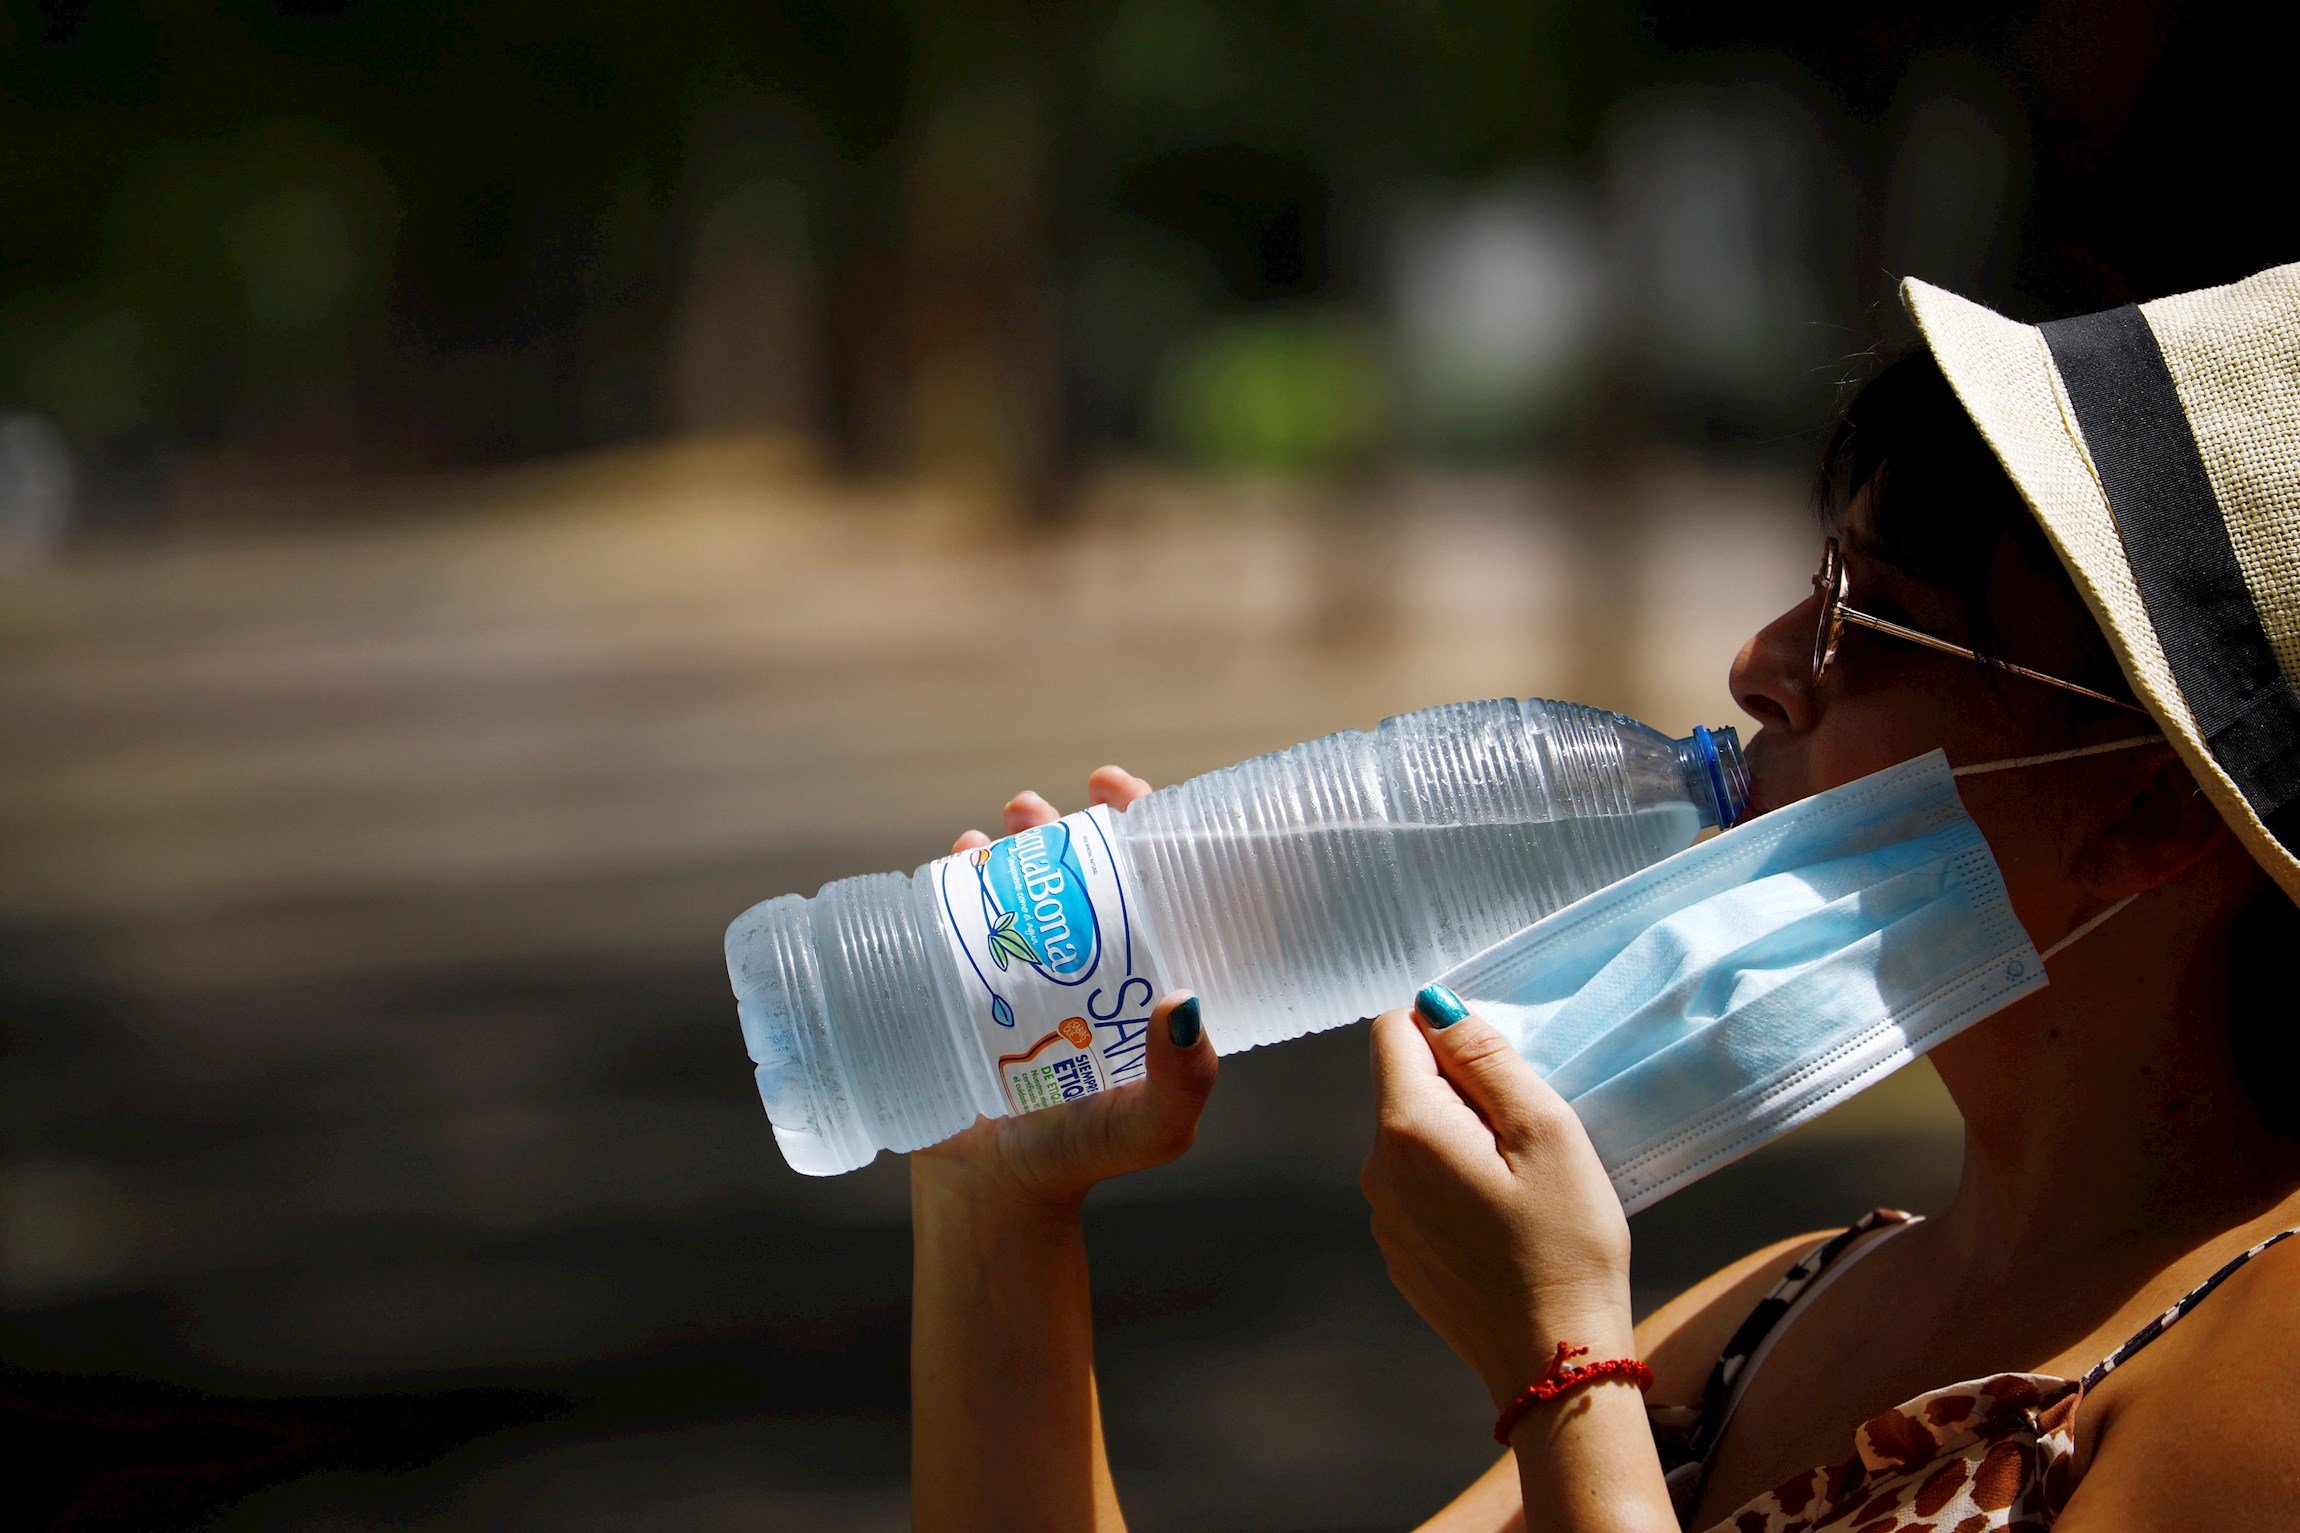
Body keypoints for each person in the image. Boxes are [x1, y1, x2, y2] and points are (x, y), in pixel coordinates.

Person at [909, 264, 2300, 1531]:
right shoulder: (1784, 1305)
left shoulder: (2267, 1361)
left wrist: (1568, 1376)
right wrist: (1001, 1207)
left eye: (1863, 621)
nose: (1760, 664)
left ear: (2152, 804)